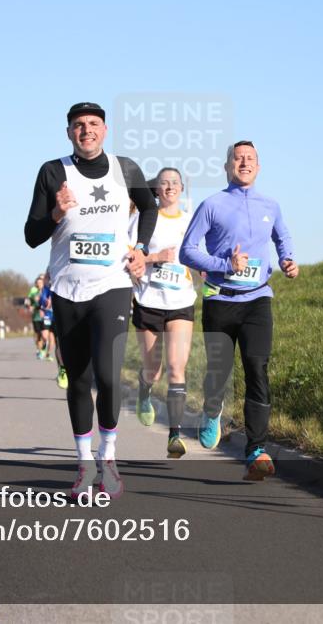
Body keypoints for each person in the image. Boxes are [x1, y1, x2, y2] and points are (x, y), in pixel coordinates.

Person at [24, 102, 158, 499]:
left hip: (112, 284)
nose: (86, 130)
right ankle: (83, 466)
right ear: (69, 133)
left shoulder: (125, 168)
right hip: (67, 287)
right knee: (79, 379)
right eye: (79, 125)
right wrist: (55, 212)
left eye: (94, 124)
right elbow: (32, 235)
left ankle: (109, 460)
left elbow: (148, 207)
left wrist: (142, 249)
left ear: (105, 130)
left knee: (108, 374)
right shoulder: (53, 172)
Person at [179, 140, 298, 480]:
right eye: (238, 158)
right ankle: (212, 410)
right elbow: (187, 251)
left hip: (258, 298)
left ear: (258, 167)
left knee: (257, 367)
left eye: (250, 159)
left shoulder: (271, 205)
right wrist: (223, 264)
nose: (244, 163)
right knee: (219, 372)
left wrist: (288, 259)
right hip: (219, 298)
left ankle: (256, 449)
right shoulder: (212, 204)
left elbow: (282, 237)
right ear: (227, 166)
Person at [129, 168, 196, 458]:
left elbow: (200, 254)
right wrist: (156, 257)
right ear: (156, 189)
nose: (169, 187)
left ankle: (174, 435)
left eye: (174, 183)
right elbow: (128, 256)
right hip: (149, 301)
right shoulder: (143, 219)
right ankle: (144, 391)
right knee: (153, 370)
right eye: (163, 183)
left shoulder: (191, 221)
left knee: (176, 368)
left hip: (181, 301)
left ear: (182, 189)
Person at [26, 275, 46, 358]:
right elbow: (27, 302)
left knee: (44, 335)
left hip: (46, 317)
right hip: (36, 316)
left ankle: (43, 350)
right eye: (37, 283)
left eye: (40, 283)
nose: (39, 284)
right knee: (38, 335)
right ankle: (39, 350)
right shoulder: (33, 292)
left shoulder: (46, 292)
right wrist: (29, 306)